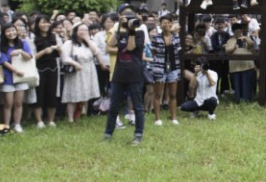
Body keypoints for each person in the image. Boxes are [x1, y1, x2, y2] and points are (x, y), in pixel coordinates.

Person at [104, 14, 146, 145]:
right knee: (113, 106)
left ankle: (138, 134)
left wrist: (131, 30)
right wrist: (118, 27)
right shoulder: (120, 33)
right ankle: (107, 134)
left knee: (138, 106)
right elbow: (108, 46)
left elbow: (130, 47)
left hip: (134, 73)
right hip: (119, 74)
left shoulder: (139, 33)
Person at [60, 23, 101, 124]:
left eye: (86, 30)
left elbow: (96, 52)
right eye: (81, 30)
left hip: (89, 69)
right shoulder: (69, 43)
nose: (83, 32)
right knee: (73, 94)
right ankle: (70, 118)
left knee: (85, 93)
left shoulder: (90, 42)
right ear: (76, 31)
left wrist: (87, 40)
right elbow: (64, 57)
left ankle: (80, 114)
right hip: (76, 71)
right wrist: (75, 64)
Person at [0, 22, 32, 133]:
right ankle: (7, 125)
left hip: (21, 76)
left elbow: (29, 57)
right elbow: (3, 61)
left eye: (13, 30)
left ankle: (17, 124)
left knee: (19, 103)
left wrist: (21, 51)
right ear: (4, 33)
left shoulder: (23, 43)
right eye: (8, 31)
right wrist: (15, 70)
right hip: (8, 77)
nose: (11, 33)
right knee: (8, 103)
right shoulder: (1, 45)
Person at [148, 15, 181, 125]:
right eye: (164, 22)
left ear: (171, 24)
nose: (166, 24)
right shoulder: (156, 37)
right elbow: (153, 53)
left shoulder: (176, 37)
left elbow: (178, 52)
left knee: (173, 94)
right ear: (160, 25)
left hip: (173, 67)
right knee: (158, 94)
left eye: (168, 22)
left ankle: (173, 117)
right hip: (160, 67)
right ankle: (157, 118)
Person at [31, 15, 61, 128]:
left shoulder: (54, 37)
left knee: (52, 93)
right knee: (39, 94)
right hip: (39, 68)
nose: (45, 25)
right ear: (38, 24)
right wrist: (44, 51)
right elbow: (32, 57)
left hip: (53, 67)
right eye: (42, 23)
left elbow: (61, 53)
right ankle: (39, 120)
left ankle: (50, 120)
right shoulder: (33, 38)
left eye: (47, 22)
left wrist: (59, 48)